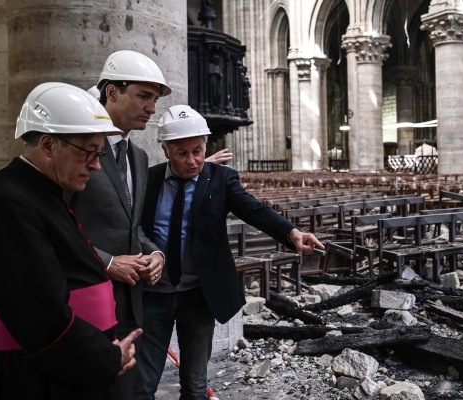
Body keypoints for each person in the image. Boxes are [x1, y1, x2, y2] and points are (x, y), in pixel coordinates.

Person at [135, 105, 324, 400]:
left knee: (196, 386)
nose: (193, 160)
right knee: (142, 384)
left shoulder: (221, 179)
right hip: (153, 295)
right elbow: (134, 227)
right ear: (165, 150)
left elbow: (254, 209)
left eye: (197, 151)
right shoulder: (150, 180)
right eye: (182, 153)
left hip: (199, 295)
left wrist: (292, 233)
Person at [0, 82, 142, 399]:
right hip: (40, 380)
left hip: (65, 373)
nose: (96, 165)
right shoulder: (5, 202)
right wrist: (106, 358)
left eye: (98, 153)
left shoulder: (40, 193)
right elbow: (40, 315)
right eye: (89, 153)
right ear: (49, 145)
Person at [67, 50, 169, 400]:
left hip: (129, 305)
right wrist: (107, 262)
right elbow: (55, 227)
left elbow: (133, 227)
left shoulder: (138, 157)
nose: (152, 108)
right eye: (143, 96)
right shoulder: (78, 149)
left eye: (154, 99)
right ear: (111, 92)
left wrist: (155, 253)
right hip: (83, 303)